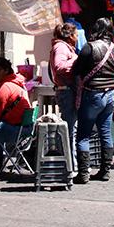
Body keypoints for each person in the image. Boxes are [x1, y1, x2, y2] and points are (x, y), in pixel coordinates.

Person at [73, 18, 114, 184]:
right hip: (110, 95)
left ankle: (83, 173)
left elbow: (76, 70)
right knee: (105, 132)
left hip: (92, 95)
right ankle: (105, 171)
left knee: (83, 135)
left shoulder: (89, 47)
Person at [49, 23, 78, 168]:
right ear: (70, 36)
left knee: (71, 128)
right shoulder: (61, 47)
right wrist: (76, 60)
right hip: (66, 91)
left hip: (68, 90)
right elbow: (59, 66)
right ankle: (69, 165)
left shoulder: (64, 47)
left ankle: (71, 163)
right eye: (76, 35)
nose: (78, 39)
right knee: (69, 129)